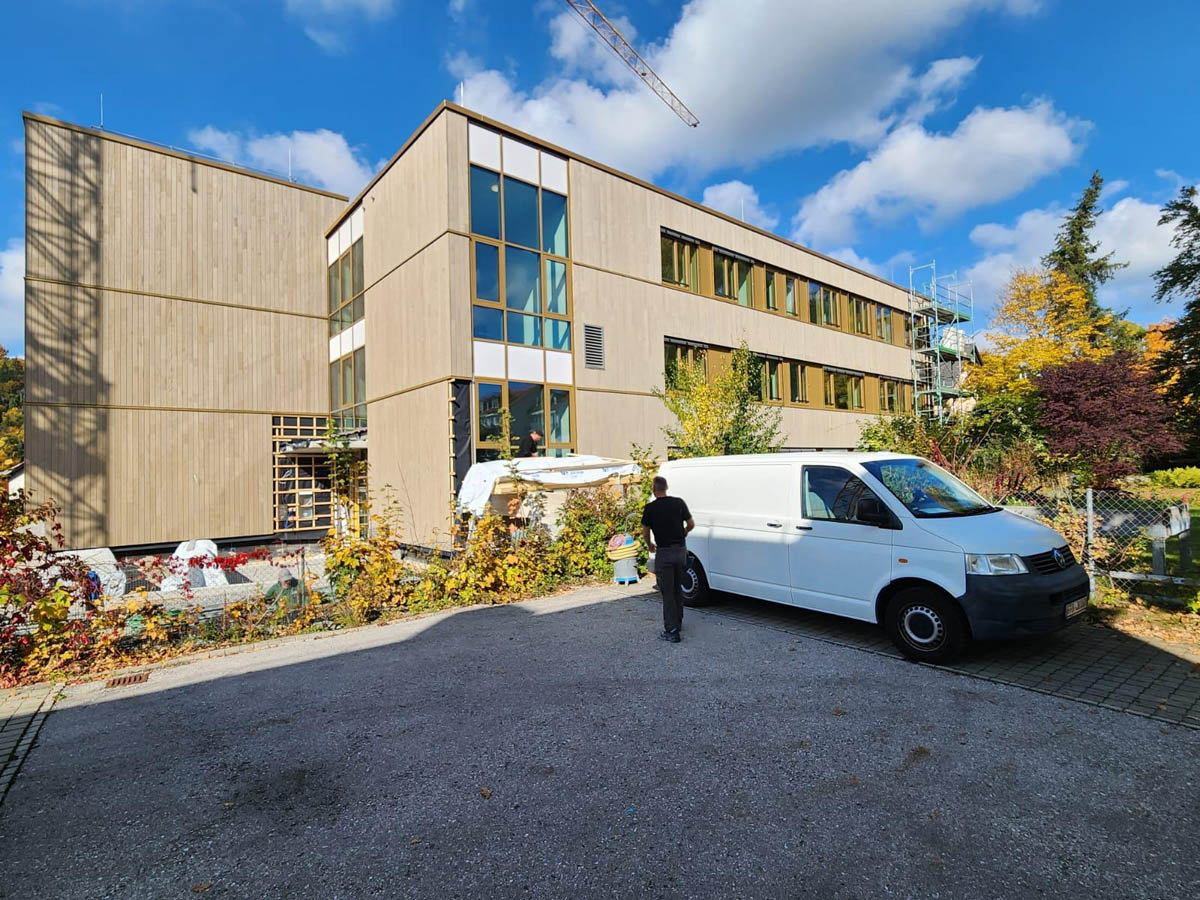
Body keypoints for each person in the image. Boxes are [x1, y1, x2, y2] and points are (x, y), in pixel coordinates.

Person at [641, 475, 695, 643]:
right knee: (678, 588)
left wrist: (649, 544)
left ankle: (671, 631)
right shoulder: (679, 503)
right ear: (666, 487)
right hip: (680, 552)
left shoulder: (650, 508)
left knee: (667, 592)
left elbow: (645, 531)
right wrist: (684, 532)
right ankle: (678, 622)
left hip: (664, 553)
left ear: (654, 489)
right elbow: (691, 524)